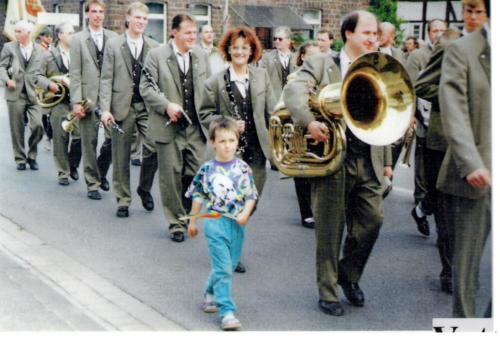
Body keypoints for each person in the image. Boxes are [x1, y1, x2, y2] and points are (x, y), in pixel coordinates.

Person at [284, 10, 392, 316]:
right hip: (333, 159)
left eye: (375, 34)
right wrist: (307, 121)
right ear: (348, 34)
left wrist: (386, 163)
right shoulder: (321, 62)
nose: (373, 38)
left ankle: (348, 275)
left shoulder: (377, 67)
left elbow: (382, 117)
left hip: (366, 158)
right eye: (367, 33)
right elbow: (293, 91)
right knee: (330, 230)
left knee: (373, 221)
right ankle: (328, 291)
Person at [438, 0, 490, 317]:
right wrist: (471, 162)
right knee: (468, 272)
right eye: (468, 9)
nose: (471, 15)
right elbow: (454, 111)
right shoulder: (460, 49)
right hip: (476, 173)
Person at [140, 14, 211, 243]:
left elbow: (209, 89)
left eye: (194, 32)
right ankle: (176, 223)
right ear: (174, 32)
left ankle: (185, 209)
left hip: (195, 128)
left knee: (196, 172)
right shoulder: (156, 56)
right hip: (168, 126)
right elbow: (146, 88)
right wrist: (166, 105)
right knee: (171, 175)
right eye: (188, 32)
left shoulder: (201, 55)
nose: (193, 37)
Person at [186, 116, 258, 331]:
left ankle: (210, 292)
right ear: (213, 143)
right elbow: (197, 196)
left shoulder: (243, 169)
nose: (227, 146)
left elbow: (251, 196)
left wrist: (245, 214)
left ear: (238, 142)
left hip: (237, 225)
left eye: (231, 141)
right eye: (222, 141)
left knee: (229, 265)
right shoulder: (207, 170)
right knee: (224, 268)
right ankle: (226, 311)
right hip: (215, 223)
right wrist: (192, 221)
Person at [99, 2, 159, 218]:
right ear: (128, 19)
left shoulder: (153, 46)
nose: (141, 22)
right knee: (121, 155)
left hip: (146, 107)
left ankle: (144, 188)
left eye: (144, 19)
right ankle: (123, 199)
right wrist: (105, 109)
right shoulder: (114, 45)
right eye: (137, 18)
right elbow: (106, 79)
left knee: (153, 147)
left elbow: (158, 80)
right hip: (120, 107)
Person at [70, 0, 117, 200]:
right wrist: (76, 102)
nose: (97, 15)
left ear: (104, 15)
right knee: (88, 142)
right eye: (94, 12)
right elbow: (75, 73)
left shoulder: (114, 37)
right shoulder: (78, 39)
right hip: (87, 98)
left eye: (101, 12)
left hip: (109, 98)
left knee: (114, 138)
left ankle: (101, 170)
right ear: (87, 14)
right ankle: (92, 184)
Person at [406, 19, 447, 208]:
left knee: (438, 172)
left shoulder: (452, 52)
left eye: (442, 30)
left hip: (443, 122)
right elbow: (412, 88)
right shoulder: (418, 56)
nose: (439, 34)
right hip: (423, 118)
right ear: (429, 33)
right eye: (435, 30)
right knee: (422, 168)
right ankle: (420, 203)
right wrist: (412, 115)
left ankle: (427, 206)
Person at [37, 22, 82, 185]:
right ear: (60, 36)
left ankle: (73, 164)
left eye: (73, 32)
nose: (73, 36)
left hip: (76, 101)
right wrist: (50, 84)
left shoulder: (78, 54)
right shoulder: (48, 55)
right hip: (58, 102)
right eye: (69, 33)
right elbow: (38, 76)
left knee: (80, 136)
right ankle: (63, 172)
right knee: (60, 137)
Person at [0, 20, 44, 171]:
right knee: (17, 128)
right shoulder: (9, 47)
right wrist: (7, 80)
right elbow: (2, 67)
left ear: (29, 33)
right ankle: (20, 158)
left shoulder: (39, 49)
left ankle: (32, 156)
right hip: (15, 93)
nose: (16, 34)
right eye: (16, 31)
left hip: (34, 94)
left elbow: (43, 72)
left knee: (38, 125)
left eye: (19, 31)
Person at [289, 41, 321, 229]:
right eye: (311, 55)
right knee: (302, 171)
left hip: (320, 127)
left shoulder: (323, 75)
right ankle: (306, 213)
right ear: (302, 57)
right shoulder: (295, 77)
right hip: (300, 128)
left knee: (318, 170)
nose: (315, 60)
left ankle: (318, 209)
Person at [260, 26, 297, 99]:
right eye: (275, 39)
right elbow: (262, 80)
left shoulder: (296, 58)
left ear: (288, 41)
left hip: (293, 101)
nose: (277, 41)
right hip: (274, 101)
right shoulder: (267, 57)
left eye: (280, 39)